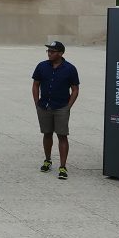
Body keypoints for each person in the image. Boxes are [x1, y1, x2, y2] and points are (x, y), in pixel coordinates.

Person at [32, 40, 79, 180]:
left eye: (52, 51)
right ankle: (47, 160)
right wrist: (37, 102)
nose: (49, 53)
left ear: (60, 53)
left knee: (62, 135)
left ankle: (63, 166)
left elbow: (75, 89)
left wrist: (68, 106)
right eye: (48, 51)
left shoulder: (70, 69)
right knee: (47, 134)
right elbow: (35, 85)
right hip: (44, 106)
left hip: (61, 107)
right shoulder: (41, 66)